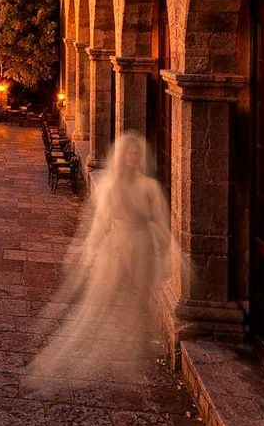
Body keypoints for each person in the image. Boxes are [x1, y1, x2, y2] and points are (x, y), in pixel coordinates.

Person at [27, 132, 171, 384]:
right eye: (129, 153)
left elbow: (160, 223)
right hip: (117, 245)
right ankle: (116, 350)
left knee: (137, 297)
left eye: (137, 154)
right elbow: (101, 221)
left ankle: (134, 348)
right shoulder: (111, 186)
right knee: (106, 299)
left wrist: (165, 249)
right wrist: (89, 247)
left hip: (141, 245)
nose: (133, 158)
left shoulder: (149, 187)